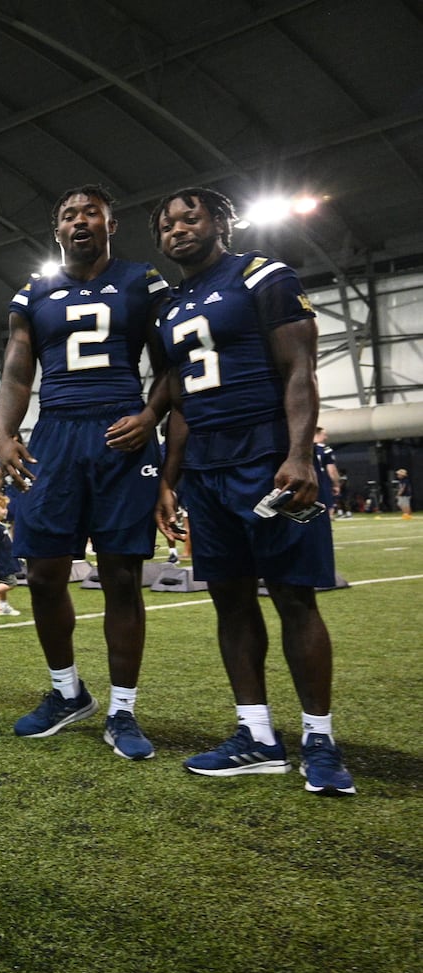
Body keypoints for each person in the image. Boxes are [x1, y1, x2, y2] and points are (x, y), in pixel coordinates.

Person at [150, 186, 354, 795]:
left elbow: (300, 370)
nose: (177, 230)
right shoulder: (169, 305)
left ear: (222, 223)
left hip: (267, 454)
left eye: (190, 218)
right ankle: (257, 735)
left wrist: (298, 454)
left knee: (295, 598)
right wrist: (169, 478)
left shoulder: (263, 276)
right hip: (207, 467)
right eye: (166, 225)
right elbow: (182, 399)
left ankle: (320, 738)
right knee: (230, 601)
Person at [0, 184, 168, 761]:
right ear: (57, 229)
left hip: (121, 431)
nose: (80, 221)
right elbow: (18, 373)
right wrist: (4, 434)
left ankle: (123, 708)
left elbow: (172, 363)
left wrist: (150, 414)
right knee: (43, 572)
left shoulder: (142, 280)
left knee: (121, 576)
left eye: (91, 212)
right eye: (69, 214)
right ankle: (68, 692)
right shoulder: (34, 292)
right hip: (57, 433)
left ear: (110, 223)